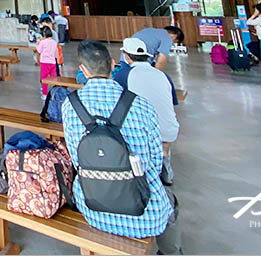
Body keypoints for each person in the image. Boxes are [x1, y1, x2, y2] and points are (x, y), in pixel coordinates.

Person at [62, 40, 180, 254]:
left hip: (92, 205)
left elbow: (75, 158)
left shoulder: (70, 105)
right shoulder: (140, 105)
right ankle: (172, 252)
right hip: (145, 213)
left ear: (83, 71)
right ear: (113, 64)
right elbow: (154, 161)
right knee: (170, 202)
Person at [115, 37, 180, 184]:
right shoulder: (163, 75)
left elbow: (115, 104)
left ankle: (143, 171)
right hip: (169, 131)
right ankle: (164, 160)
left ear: (126, 56)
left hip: (143, 131)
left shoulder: (124, 75)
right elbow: (173, 103)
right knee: (161, 136)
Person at [36, 26, 62, 100]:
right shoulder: (54, 42)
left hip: (44, 62)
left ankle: (44, 94)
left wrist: (38, 43)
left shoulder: (43, 42)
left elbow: (39, 51)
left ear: (43, 35)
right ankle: (56, 92)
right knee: (54, 77)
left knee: (44, 78)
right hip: (52, 62)